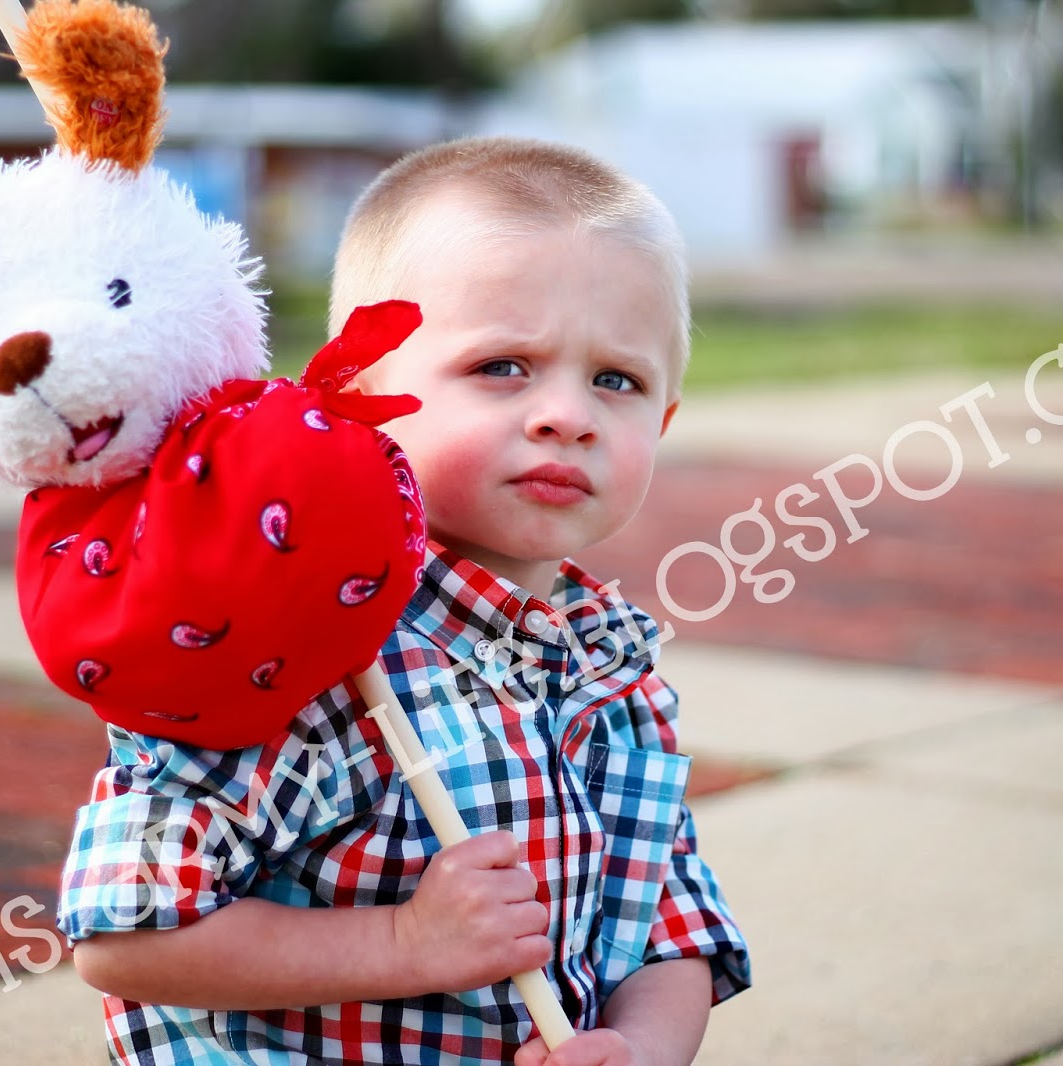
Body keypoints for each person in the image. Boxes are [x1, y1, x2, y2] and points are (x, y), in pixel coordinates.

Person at [55, 135, 752, 1065]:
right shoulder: (296, 645)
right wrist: (406, 943)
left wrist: (638, 1048)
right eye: (503, 365)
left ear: (661, 422)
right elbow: (126, 936)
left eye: (615, 381)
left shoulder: (612, 670)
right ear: (360, 392)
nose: (569, 415)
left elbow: (667, 924)